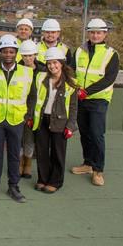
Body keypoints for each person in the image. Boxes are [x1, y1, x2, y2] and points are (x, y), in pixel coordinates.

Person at [0, 35, 35, 203]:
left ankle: (14, 187)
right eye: (5, 51)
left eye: (11, 51)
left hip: (16, 120)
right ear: (0, 53)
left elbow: (32, 96)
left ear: (16, 53)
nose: (8, 55)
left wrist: (28, 115)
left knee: (13, 155)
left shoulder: (27, 73)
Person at [71, 18, 119, 187]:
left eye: (99, 32)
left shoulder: (111, 54)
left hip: (98, 99)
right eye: (92, 32)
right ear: (88, 33)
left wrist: (87, 92)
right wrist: (75, 88)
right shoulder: (79, 51)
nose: (95, 35)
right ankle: (88, 164)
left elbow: (109, 79)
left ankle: (98, 170)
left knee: (97, 134)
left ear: (105, 34)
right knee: (85, 132)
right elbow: (71, 71)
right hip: (80, 98)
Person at [30, 47, 78, 193]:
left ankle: (55, 181)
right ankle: (43, 179)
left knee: (58, 152)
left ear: (62, 63)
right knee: (42, 151)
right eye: (49, 63)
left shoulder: (71, 83)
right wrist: (30, 117)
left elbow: (74, 107)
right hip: (42, 120)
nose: (52, 66)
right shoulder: (40, 78)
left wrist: (70, 126)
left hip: (60, 122)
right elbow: (33, 99)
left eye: (55, 63)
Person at [18, 39, 39, 179]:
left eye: (30, 55)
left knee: (29, 137)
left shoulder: (42, 69)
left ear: (35, 55)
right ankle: (19, 163)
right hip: (19, 106)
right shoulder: (16, 68)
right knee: (18, 137)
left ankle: (28, 164)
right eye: (25, 55)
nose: (28, 58)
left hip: (36, 108)